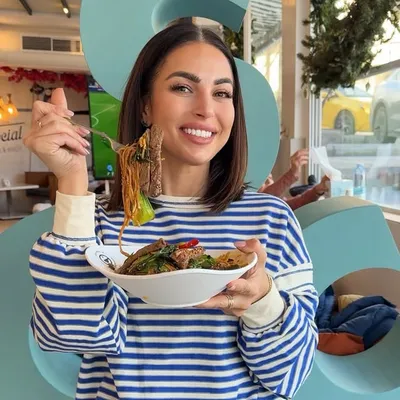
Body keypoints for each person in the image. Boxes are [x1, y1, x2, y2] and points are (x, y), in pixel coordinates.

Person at [24, 23, 318, 400]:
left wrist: (262, 302)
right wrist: (71, 179)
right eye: (183, 87)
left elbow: (292, 375)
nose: (206, 109)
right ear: (146, 105)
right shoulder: (96, 223)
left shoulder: (271, 219)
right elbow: (67, 337)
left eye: (222, 93)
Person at [259, 149, 330, 210]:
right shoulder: (259, 203)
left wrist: (317, 189)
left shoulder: (278, 205)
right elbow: (264, 198)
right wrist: (292, 174)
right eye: (265, 181)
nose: (270, 182)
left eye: (270, 178)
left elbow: (297, 202)